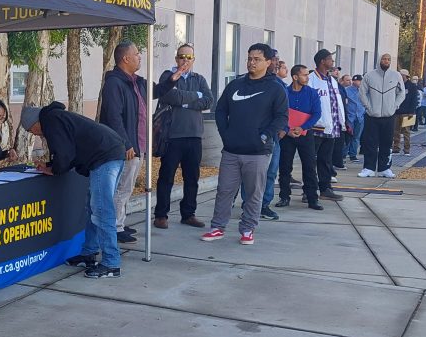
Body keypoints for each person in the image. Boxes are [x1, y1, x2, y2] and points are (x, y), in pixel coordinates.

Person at [20, 102, 126, 278]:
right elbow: (68, 150)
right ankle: (89, 253)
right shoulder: (56, 118)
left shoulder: (51, 121)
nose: (35, 134)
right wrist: (51, 165)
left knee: (101, 210)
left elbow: (64, 154)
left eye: (32, 130)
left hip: (104, 157)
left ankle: (111, 262)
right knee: (94, 209)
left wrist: (53, 169)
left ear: (35, 123)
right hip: (109, 153)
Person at [201, 43, 288, 245]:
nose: (251, 62)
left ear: (268, 62)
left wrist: (265, 136)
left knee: (253, 193)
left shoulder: (276, 88)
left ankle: (248, 229)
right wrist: (226, 134)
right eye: (249, 58)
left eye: (256, 59)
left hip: (258, 152)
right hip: (232, 150)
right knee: (224, 190)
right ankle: (217, 227)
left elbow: (281, 117)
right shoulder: (235, 85)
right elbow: (221, 110)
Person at [152, 43, 212, 229]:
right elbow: (170, 97)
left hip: (194, 135)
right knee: (166, 177)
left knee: (192, 178)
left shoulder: (199, 78)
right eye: (182, 57)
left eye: (189, 57)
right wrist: (195, 96)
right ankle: (161, 215)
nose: (185, 60)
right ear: (176, 58)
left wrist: (185, 102)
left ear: (193, 60)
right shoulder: (167, 76)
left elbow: (208, 100)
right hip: (172, 136)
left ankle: (188, 214)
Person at [100, 40, 147, 244]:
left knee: (127, 187)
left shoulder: (134, 81)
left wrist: (175, 77)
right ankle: (115, 227)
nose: (139, 57)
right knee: (121, 188)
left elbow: (159, 90)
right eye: (137, 53)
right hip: (126, 147)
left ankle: (120, 222)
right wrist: (126, 143)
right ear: (126, 58)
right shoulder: (115, 83)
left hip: (138, 144)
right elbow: (114, 117)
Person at [275, 64, 323, 210]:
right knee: (284, 167)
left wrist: (303, 127)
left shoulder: (312, 93)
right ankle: (284, 197)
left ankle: (312, 198)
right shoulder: (284, 92)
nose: (307, 78)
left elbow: (317, 113)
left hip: (305, 134)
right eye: (304, 75)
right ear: (295, 77)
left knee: (309, 166)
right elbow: (279, 112)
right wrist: (287, 129)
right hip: (287, 135)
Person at [358, 53, 405, 178]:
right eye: (384, 59)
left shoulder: (396, 76)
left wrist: (395, 106)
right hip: (372, 115)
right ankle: (368, 168)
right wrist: (368, 107)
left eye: (389, 59)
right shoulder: (369, 76)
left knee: (387, 142)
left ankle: (385, 168)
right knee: (370, 142)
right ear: (380, 60)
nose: (386, 61)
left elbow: (401, 93)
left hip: (389, 115)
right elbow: (362, 93)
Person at [308, 49, 346, 201]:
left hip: (331, 127)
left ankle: (325, 188)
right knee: (310, 160)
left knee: (326, 160)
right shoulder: (311, 79)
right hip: (316, 127)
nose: (333, 62)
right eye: (330, 59)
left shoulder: (332, 80)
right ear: (322, 61)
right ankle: (309, 190)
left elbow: (338, 103)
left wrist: (342, 122)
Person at [394, 71, 420, 154]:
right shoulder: (396, 85)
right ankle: (396, 147)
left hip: (408, 112)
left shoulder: (412, 86)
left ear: (404, 76)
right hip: (397, 112)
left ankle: (407, 149)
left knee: (406, 131)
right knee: (395, 131)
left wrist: (412, 112)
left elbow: (414, 100)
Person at [344, 73, 364, 162]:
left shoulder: (363, 91)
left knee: (356, 137)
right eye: (357, 80)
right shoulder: (347, 90)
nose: (358, 82)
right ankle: (343, 154)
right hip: (350, 116)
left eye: (360, 80)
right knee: (348, 136)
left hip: (360, 116)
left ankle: (353, 154)